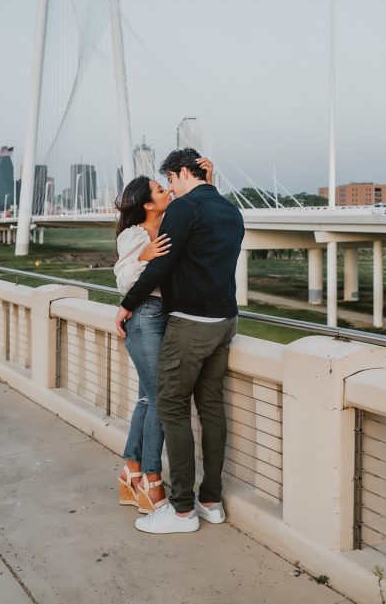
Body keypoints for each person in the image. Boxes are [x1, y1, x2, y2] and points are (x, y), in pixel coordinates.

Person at [116, 148, 244, 534]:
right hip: (226, 321)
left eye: (170, 179)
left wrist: (127, 306)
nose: (170, 187)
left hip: (189, 323)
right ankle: (211, 501)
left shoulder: (183, 210)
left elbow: (163, 265)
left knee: (170, 405)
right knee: (210, 407)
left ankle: (183, 509)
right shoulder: (230, 210)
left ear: (181, 172)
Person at [113, 159, 213, 517]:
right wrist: (143, 257)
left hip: (164, 318)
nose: (167, 189)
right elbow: (123, 278)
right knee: (162, 398)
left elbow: (200, 206)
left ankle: (130, 470)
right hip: (143, 319)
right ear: (147, 204)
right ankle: (151, 481)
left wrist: (208, 179)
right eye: (160, 189)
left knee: (148, 396)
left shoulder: (171, 225)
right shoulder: (135, 235)